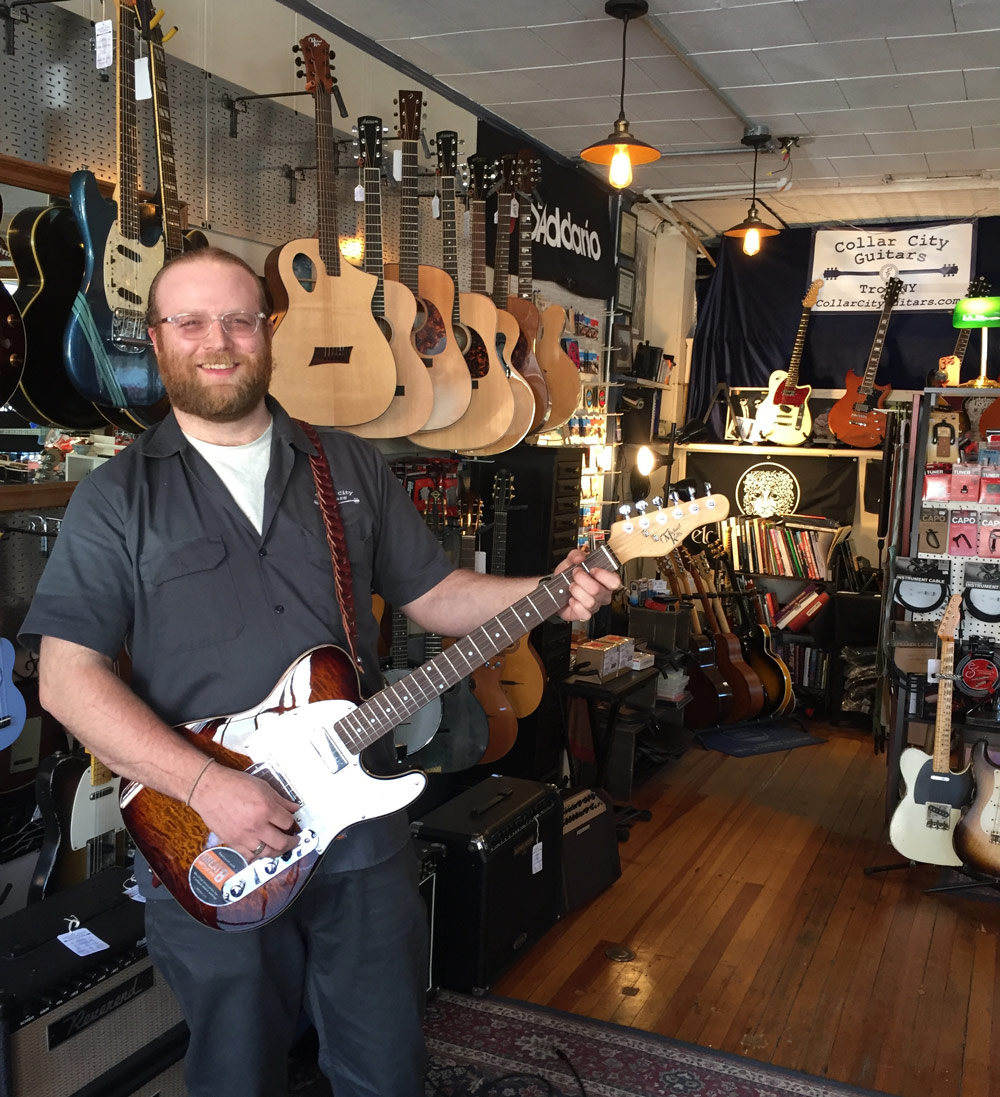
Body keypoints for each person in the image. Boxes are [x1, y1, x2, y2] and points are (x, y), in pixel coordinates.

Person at [19, 246, 619, 1097]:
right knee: (238, 1073)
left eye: (236, 319)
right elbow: (67, 680)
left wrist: (550, 591)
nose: (215, 341)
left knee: (384, 1066)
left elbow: (438, 593)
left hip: (359, 837)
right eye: (189, 322)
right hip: (209, 835)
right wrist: (204, 784)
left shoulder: (349, 467)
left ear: (269, 332)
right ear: (158, 341)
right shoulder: (115, 498)